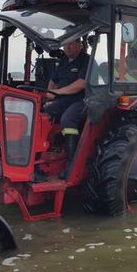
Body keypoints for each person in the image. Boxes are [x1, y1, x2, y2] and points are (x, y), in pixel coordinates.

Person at [38, 38, 89, 181]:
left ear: (80, 44)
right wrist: (50, 96)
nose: (68, 47)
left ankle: (72, 164)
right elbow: (53, 81)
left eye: (72, 43)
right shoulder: (64, 61)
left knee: (68, 119)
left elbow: (81, 84)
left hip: (82, 100)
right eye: (66, 44)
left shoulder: (86, 60)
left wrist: (57, 93)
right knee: (42, 113)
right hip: (63, 99)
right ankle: (41, 158)